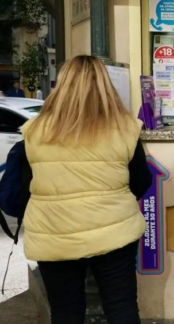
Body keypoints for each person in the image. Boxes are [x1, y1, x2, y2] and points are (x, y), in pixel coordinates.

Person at [20, 55, 150, 324]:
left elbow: (23, 186)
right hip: (114, 231)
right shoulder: (125, 128)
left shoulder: (33, 131)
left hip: (53, 233)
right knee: (121, 307)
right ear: (106, 85)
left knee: (66, 312)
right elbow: (141, 181)